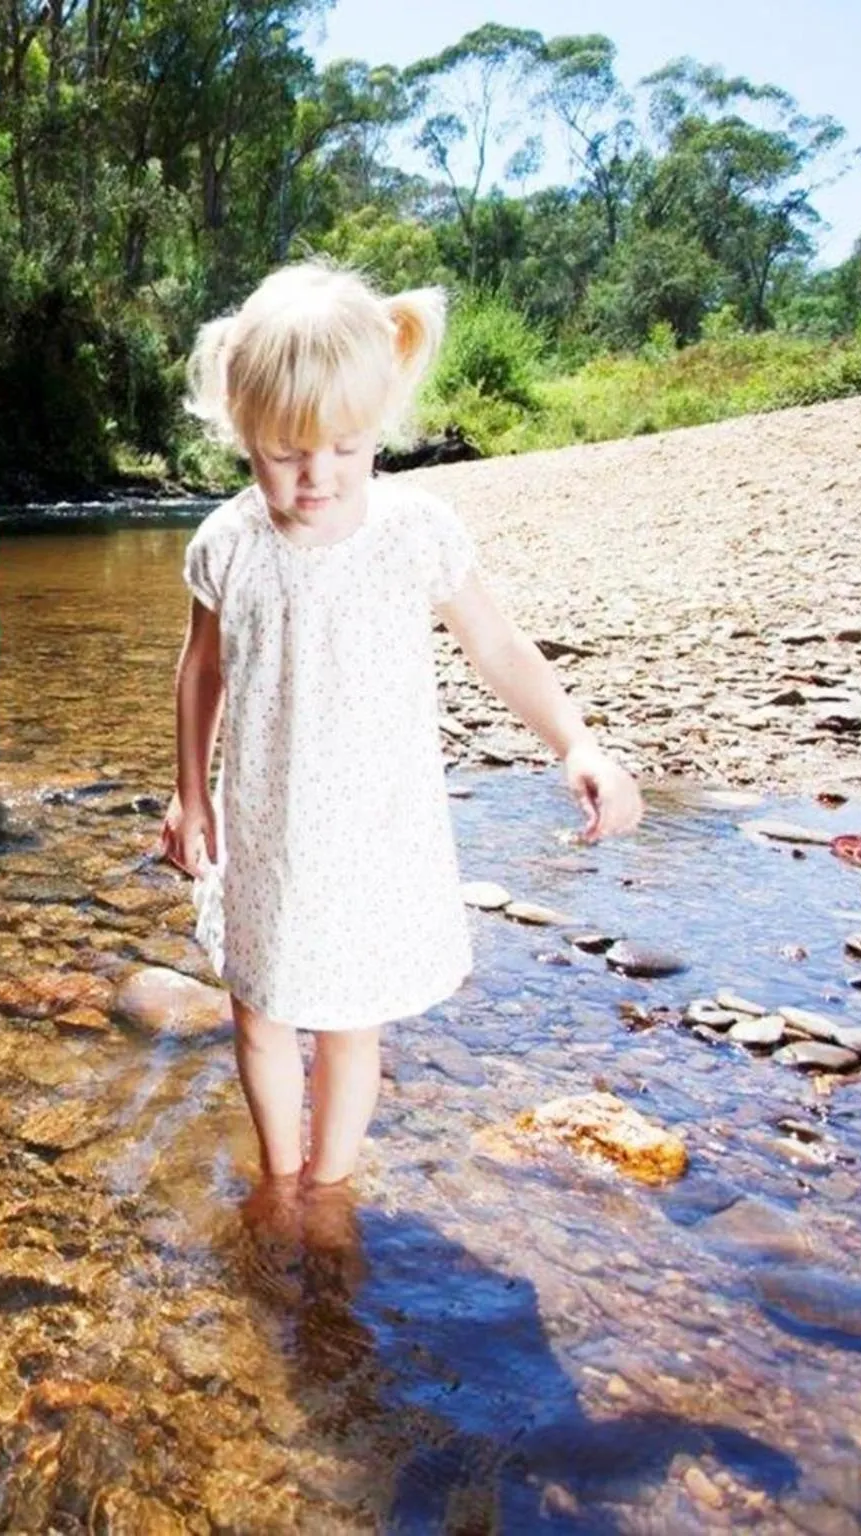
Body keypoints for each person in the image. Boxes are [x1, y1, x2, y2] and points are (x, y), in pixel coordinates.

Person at [156, 262, 642, 1195]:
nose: (317, 477)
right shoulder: (226, 544)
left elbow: (497, 646)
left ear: (380, 424)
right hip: (266, 818)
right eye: (285, 452)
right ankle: (279, 1177)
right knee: (258, 1009)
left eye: (344, 447)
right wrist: (189, 794)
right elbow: (200, 672)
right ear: (241, 429)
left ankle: (329, 1190)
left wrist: (575, 740)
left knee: (348, 1018)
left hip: (375, 825)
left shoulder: (413, 532)